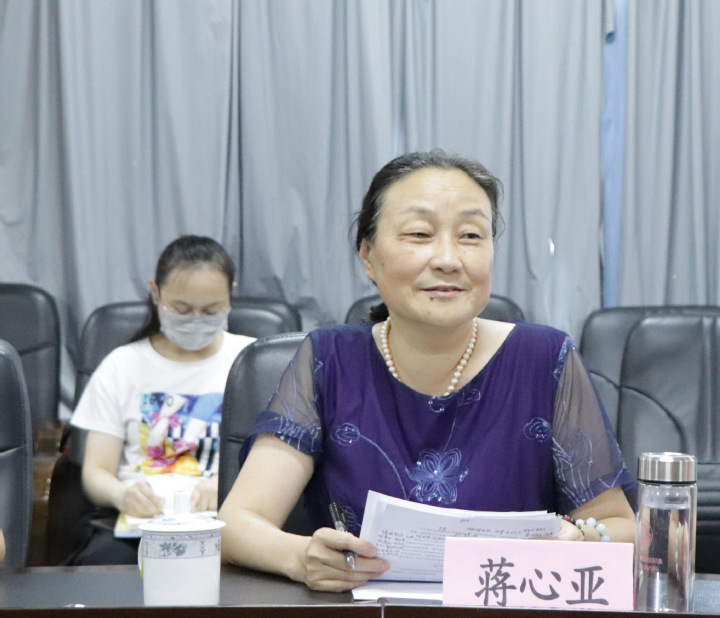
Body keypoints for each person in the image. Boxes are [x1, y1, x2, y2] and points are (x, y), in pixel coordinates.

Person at [218, 151, 636, 591]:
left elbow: (621, 527)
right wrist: (301, 558)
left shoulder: (545, 358)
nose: (448, 259)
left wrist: (582, 540)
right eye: (419, 234)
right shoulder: (329, 359)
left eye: (471, 235)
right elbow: (237, 524)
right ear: (368, 256)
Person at [68, 235, 255, 565]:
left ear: (231, 296)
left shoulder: (252, 362)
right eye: (182, 310)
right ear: (155, 293)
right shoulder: (121, 365)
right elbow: (96, 472)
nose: (196, 320)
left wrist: (227, 486)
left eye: (211, 311)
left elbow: (275, 461)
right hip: (139, 526)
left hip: (227, 523)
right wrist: (122, 494)